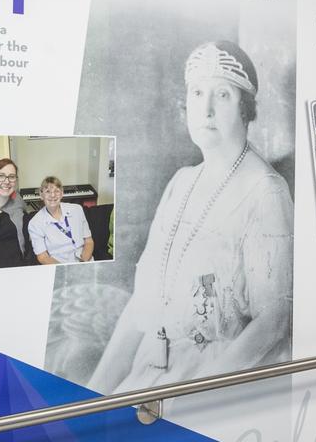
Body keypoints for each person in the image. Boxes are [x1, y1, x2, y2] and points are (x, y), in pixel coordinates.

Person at [88, 41, 292, 393]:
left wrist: (190, 399)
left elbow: (273, 322)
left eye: (223, 95)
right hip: (155, 367)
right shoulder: (181, 182)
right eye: (197, 93)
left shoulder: (265, 191)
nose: (206, 109)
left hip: (217, 378)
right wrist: (94, 391)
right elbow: (144, 302)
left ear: (247, 110)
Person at [28, 176, 94, 265]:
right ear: (41, 195)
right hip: (59, 265)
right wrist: (65, 270)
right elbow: (43, 257)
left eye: (57, 191)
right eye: (48, 191)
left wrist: (83, 263)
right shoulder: (34, 223)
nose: (53, 195)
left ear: (62, 193)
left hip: (86, 261)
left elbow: (89, 241)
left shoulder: (77, 209)